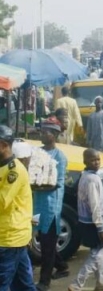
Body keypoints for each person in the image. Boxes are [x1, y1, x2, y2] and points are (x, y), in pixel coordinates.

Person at [68, 149, 103, 291]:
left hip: (86, 220)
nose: (96, 162)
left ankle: (100, 281)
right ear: (85, 162)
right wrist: (101, 227)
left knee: (98, 251)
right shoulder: (92, 179)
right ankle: (77, 284)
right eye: (93, 160)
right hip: (93, 222)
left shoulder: (84, 175)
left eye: (98, 160)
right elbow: (95, 204)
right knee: (97, 253)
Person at [33, 118, 69, 291]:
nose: (42, 133)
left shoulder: (59, 157)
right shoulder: (37, 153)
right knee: (42, 241)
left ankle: (44, 282)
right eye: (41, 130)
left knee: (47, 245)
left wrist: (35, 184)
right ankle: (62, 267)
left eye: (45, 131)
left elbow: (57, 183)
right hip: (36, 204)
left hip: (50, 206)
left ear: (54, 135)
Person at [0, 125, 36, 291]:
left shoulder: (15, 171)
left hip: (9, 239)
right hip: (13, 237)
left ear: (3, 145)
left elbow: (2, 202)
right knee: (24, 284)